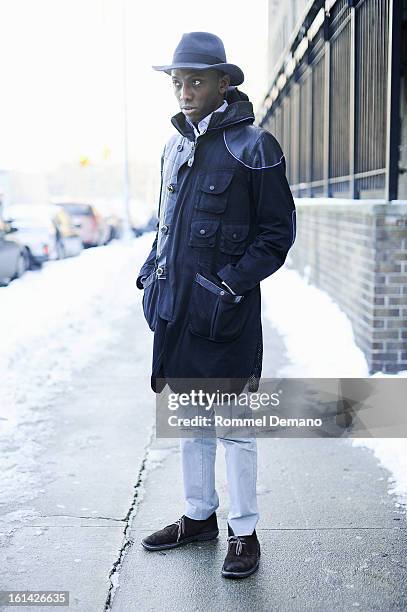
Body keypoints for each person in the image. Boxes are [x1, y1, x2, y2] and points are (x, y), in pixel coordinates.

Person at [136, 32, 296, 579]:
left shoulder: (255, 146)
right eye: (178, 81)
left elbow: (276, 235)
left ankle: (244, 532)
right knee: (190, 420)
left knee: (233, 427)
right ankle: (199, 517)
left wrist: (228, 285)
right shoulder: (173, 145)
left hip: (224, 314)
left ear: (224, 83)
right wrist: (152, 267)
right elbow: (168, 222)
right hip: (177, 309)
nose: (184, 90)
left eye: (196, 80)